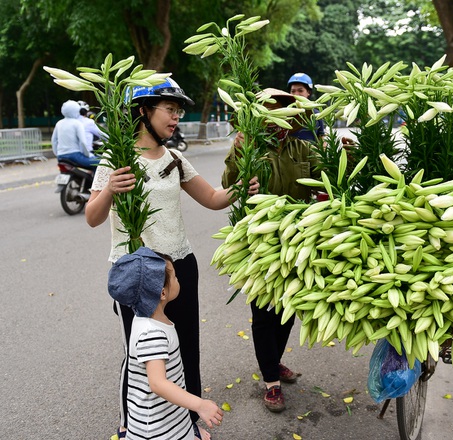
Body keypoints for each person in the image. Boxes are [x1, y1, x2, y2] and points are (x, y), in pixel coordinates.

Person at [86, 77, 259, 440]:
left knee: (184, 344)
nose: (176, 117)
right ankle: (131, 419)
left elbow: (212, 198)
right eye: (170, 109)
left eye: (179, 111)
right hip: (136, 270)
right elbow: (92, 216)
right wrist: (110, 191)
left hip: (180, 266)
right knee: (140, 354)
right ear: (143, 111)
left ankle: (188, 418)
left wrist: (241, 187)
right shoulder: (116, 160)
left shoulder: (175, 158)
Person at [222, 88, 321, 412]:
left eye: (284, 110)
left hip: (297, 241)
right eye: (272, 110)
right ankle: (271, 381)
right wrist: (239, 153)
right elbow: (229, 182)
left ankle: (274, 361)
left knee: (287, 310)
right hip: (261, 243)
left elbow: (328, 174)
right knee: (264, 314)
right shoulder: (248, 147)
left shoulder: (302, 148)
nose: (279, 117)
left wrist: (339, 153)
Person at [108, 246, 223, 439]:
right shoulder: (152, 333)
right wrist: (199, 405)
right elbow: (158, 384)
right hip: (156, 430)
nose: (178, 280)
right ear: (162, 293)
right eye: (175, 277)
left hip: (170, 417)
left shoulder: (146, 319)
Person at [51, 100, 100, 169]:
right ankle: (96, 179)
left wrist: (57, 154)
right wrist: (88, 155)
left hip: (61, 157)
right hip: (75, 156)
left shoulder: (59, 123)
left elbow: (54, 140)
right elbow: (82, 142)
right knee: (101, 162)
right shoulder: (77, 123)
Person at [287, 73, 325, 142]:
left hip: (312, 152)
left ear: (309, 92)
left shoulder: (316, 114)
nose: (296, 94)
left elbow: (321, 138)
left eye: (300, 90)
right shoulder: (286, 114)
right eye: (293, 91)